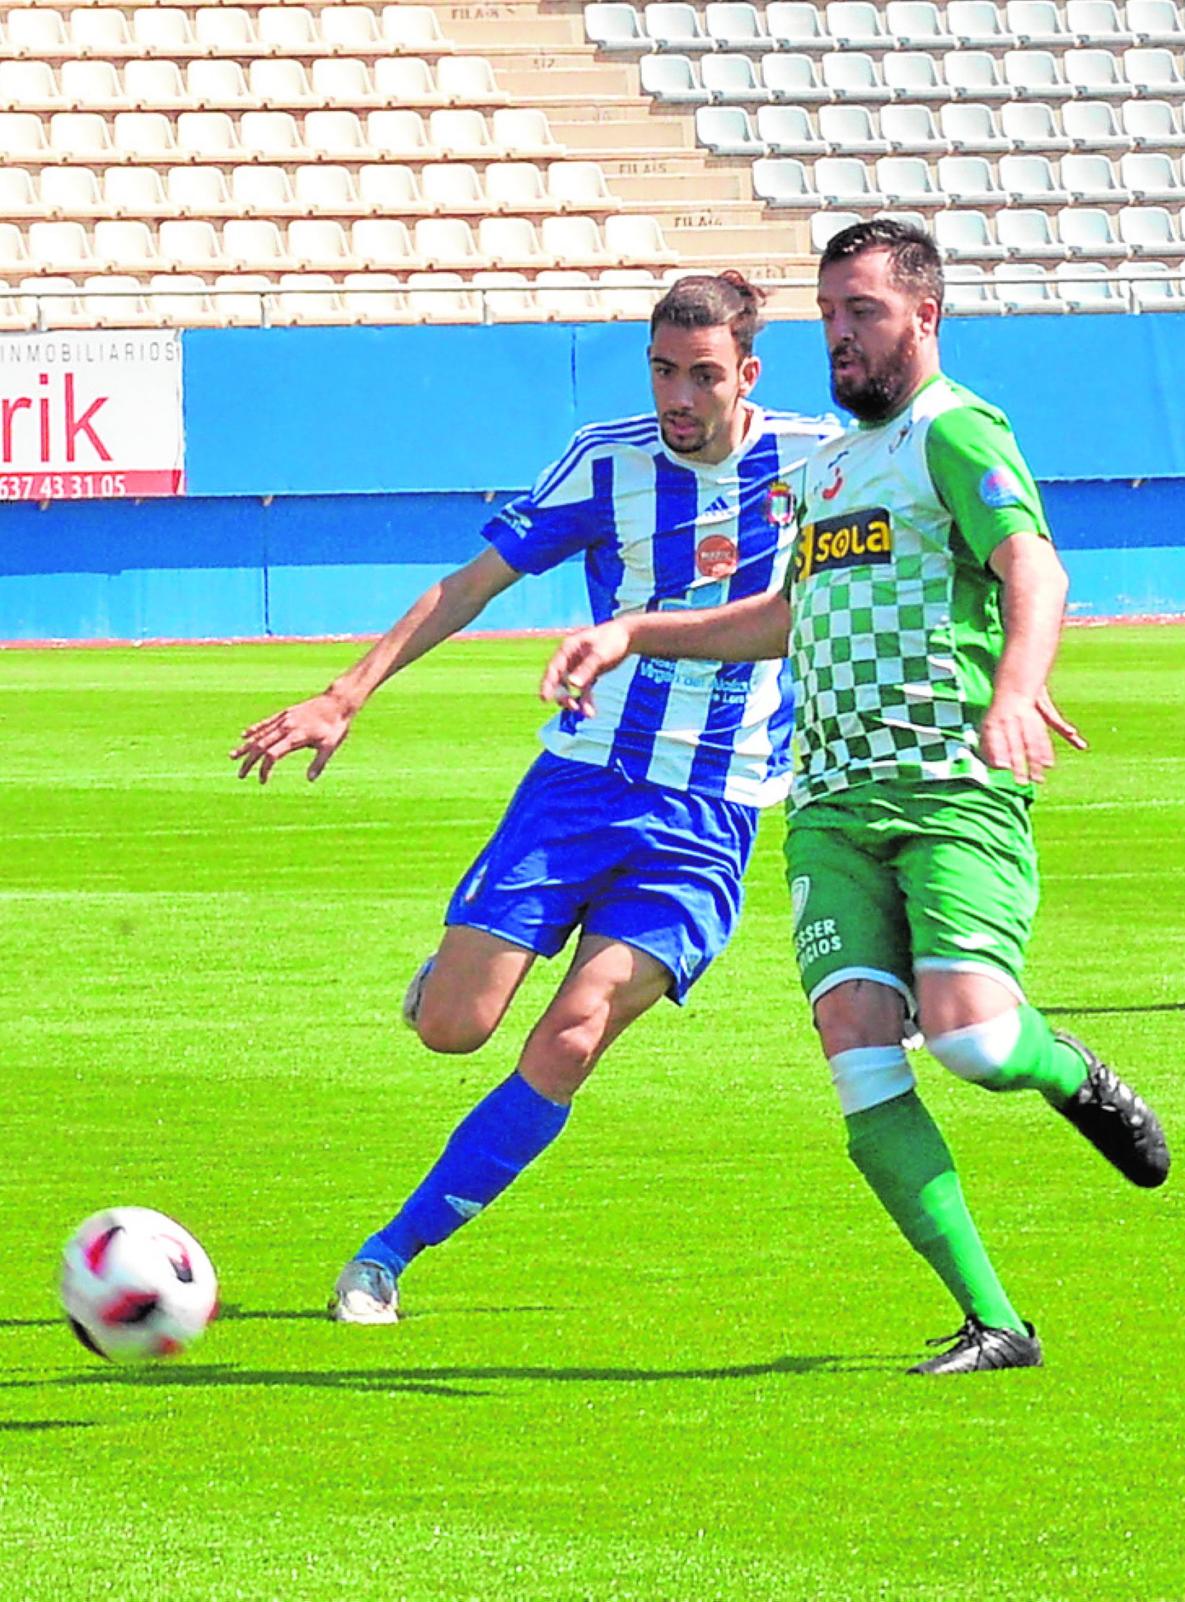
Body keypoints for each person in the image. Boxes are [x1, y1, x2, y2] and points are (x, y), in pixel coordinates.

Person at [541, 220, 1170, 1375]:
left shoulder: (955, 431)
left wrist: (1019, 687)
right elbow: (785, 617)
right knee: (858, 1046)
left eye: (864, 311)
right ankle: (997, 1323)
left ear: (923, 318)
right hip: (825, 801)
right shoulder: (827, 468)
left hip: (943, 788)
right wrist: (635, 630)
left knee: (976, 1040)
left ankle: (1073, 1073)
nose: (842, 332)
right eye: (830, 311)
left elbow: (1033, 562)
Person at [231, 272, 843, 1324]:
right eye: (663, 370)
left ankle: (385, 1256)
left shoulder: (820, 461)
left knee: (572, 1034)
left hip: (713, 812)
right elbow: (472, 586)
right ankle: (452, 976)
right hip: (581, 786)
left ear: (748, 372)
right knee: (456, 1029)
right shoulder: (609, 461)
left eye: (704, 375)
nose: (679, 397)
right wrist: (346, 694)